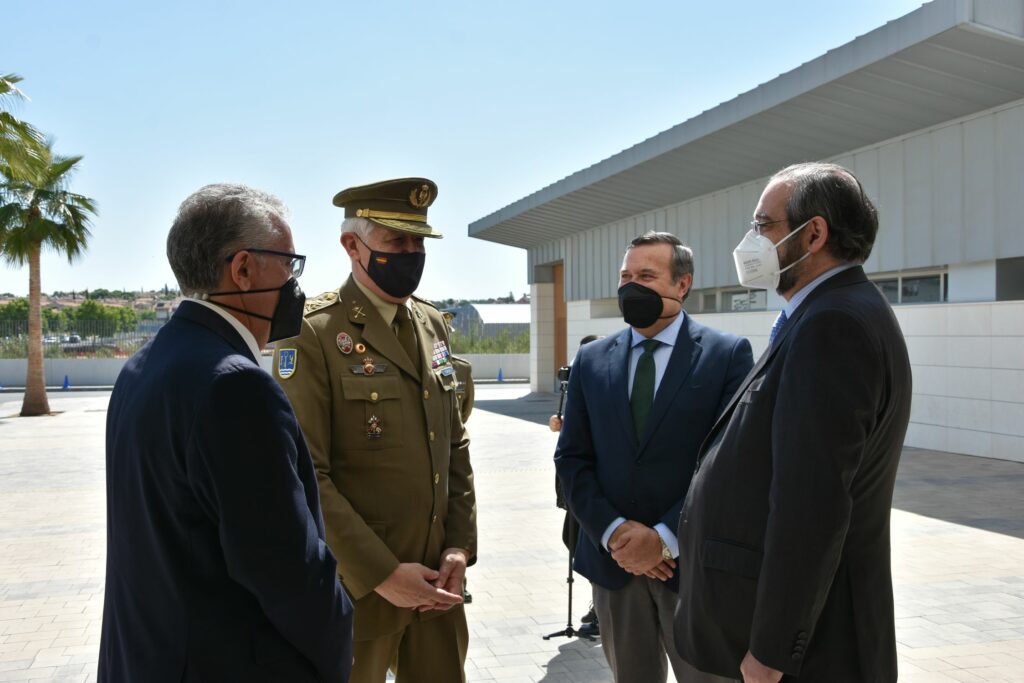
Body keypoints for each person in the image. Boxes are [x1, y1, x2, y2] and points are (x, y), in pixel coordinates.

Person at [99, 183, 354, 682]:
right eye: (289, 265)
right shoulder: (235, 386)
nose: (294, 284)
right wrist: (339, 648)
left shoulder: (144, 366)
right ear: (242, 270)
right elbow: (287, 570)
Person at [674, 162, 912, 683]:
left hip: (806, 653)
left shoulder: (834, 324)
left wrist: (772, 650)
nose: (750, 241)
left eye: (763, 226)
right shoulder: (825, 313)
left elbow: (813, 503)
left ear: (814, 233)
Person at [274, 177, 476, 683]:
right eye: (395, 241)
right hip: (356, 589)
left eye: (417, 242)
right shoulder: (312, 332)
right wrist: (384, 575)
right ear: (352, 246)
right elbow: (306, 474)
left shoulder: (432, 324)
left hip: (437, 586)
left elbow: (453, 445)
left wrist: (458, 546)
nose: (411, 253)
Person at [555, 232, 754, 683]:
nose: (632, 286)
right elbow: (572, 460)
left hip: (693, 569)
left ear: (682, 285)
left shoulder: (727, 356)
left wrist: (664, 538)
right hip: (614, 568)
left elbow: (730, 464)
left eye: (647, 276)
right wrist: (614, 533)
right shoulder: (591, 359)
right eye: (626, 276)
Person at [549, 334, 601, 637]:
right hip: (576, 487)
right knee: (572, 538)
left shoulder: (612, 382)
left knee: (593, 545)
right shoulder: (582, 384)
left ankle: (602, 608)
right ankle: (600, 600)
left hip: (597, 488)